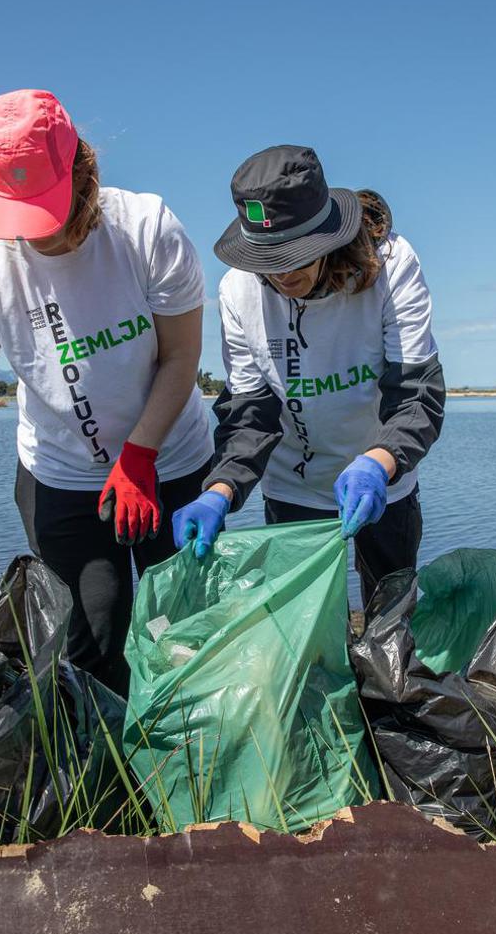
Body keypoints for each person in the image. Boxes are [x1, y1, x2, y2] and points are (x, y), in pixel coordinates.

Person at [0, 89, 212, 692]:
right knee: (91, 645)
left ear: (80, 171)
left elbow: (181, 357)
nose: (35, 236)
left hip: (170, 465)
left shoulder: (146, 229)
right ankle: (111, 784)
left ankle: (190, 771)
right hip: (61, 479)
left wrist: (140, 452)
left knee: (183, 637)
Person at [172, 144, 445, 607]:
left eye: (295, 255)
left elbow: (418, 394)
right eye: (267, 258)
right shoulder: (237, 290)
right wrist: (220, 489)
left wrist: (378, 461)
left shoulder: (391, 265)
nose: (281, 273)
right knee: (308, 638)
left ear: (328, 236)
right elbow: (250, 415)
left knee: (394, 624)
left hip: (379, 480)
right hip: (292, 490)